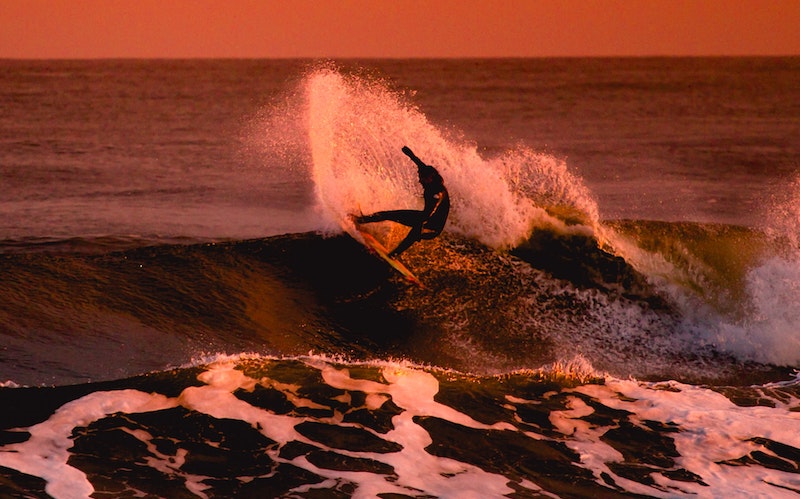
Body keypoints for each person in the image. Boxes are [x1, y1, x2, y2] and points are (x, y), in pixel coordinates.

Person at [355, 146, 450, 257]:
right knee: (389, 214)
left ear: (430, 178)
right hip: (423, 217)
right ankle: (361, 220)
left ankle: (394, 254)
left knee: (414, 233)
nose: (420, 180)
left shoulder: (438, 193)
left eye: (422, 179)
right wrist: (409, 153)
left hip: (433, 227)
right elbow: (417, 161)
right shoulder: (427, 171)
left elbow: (430, 213)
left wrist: (420, 232)